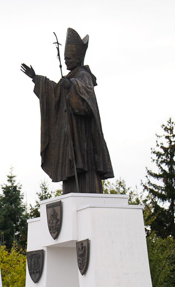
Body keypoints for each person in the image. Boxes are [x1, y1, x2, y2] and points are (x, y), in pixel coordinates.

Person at [20, 28, 113, 195]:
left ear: (78, 58)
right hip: (69, 136)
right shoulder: (70, 78)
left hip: (83, 136)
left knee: (84, 170)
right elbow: (54, 93)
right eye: (64, 59)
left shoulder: (84, 76)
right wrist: (36, 79)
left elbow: (86, 104)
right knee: (71, 174)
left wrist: (71, 87)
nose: (66, 62)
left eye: (69, 58)